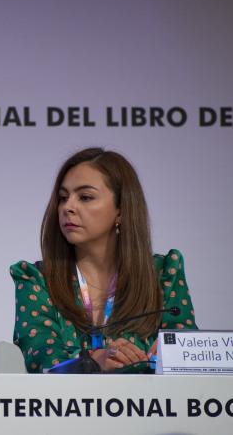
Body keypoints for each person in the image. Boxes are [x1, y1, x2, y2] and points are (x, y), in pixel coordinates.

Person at [11, 147, 196, 373]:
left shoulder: (163, 274)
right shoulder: (37, 280)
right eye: (63, 198)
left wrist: (169, 356)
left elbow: (191, 354)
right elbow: (42, 358)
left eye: (85, 197)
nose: (68, 207)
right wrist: (92, 362)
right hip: (68, 398)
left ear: (121, 209)